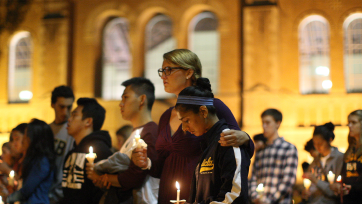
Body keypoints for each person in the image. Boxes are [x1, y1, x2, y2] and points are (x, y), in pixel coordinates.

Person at [133, 49, 254, 204]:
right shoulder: (165, 115)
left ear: (189, 72)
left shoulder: (211, 106)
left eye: (168, 70)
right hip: (168, 194)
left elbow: (238, 152)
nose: (163, 76)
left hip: (200, 195)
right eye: (162, 71)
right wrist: (147, 163)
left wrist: (245, 137)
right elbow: (162, 165)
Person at [174, 77, 250, 203]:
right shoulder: (209, 144)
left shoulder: (229, 140)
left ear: (203, 111)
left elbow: (235, 196)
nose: (185, 128)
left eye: (186, 120)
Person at [86, 77, 159, 204]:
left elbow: (135, 176)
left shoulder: (151, 132)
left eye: (126, 97)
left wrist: (102, 177)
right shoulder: (134, 133)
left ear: (142, 99)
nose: (121, 103)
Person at [61, 98, 113, 204]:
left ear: (88, 121)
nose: (69, 120)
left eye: (74, 115)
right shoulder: (72, 152)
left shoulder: (101, 151)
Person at [249, 108, 298, 204]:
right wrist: (255, 197)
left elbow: (288, 181)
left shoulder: (289, 148)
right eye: (262, 123)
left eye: (267, 123)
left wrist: (268, 201)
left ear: (278, 123)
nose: (264, 126)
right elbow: (253, 177)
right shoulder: (261, 151)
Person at [7, 119, 55, 204]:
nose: (24, 140)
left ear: (34, 139)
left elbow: (27, 190)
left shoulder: (42, 162)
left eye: (26, 136)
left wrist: (9, 198)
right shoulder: (34, 160)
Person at [302, 122, 343, 204]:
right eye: (315, 144)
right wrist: (306, 193)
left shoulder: (339, 158)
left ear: (329, 140)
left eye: (320, 143)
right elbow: (310, 187)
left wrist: (316, 181)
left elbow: (336, 192)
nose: (317, 147)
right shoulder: (315, 161)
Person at [49, 85, 75, 204]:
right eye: (61, 107)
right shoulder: (47, 130)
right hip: (47, 191)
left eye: (69, 107)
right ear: (53, 105)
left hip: (64, 193)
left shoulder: (73, 131)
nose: (65, 112)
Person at [331, 110, 362, 204]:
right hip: (348, 198)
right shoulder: (350, 149)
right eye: (349, 123)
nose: (349, 126)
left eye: (353, 122)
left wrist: (353, 188)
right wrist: (338, 186)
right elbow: (344, 174)